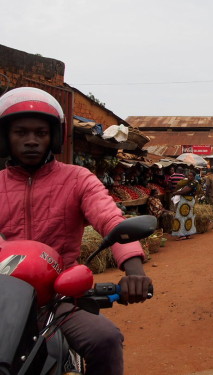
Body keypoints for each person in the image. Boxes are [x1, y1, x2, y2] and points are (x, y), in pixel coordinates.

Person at [0, 87, 152, 375]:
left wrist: (135, 271)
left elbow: (111, 220)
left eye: (40, 133)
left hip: (60, 296)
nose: (31, 140)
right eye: (21, 132)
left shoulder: (78, 178)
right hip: (3, 298)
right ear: (6, 136)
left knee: (105, 339)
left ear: (53, 137)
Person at [171, 170, 200, 240]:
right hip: (189, 201)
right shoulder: (193, 182)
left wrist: (175, 193)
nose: (189, 177)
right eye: (188, 175)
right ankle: (188, 234)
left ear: (194, 177)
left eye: (191, 176)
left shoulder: (193, 183)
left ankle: (182, 234)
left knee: (181, 217)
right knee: (188, 217)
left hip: (186, 201)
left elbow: (184, 191)